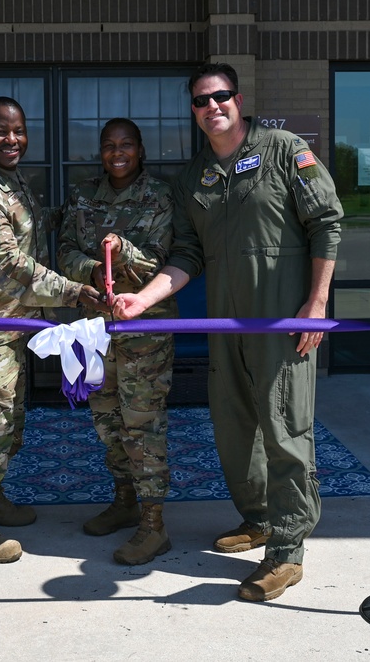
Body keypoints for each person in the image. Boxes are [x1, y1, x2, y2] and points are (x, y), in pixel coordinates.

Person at [113, 63, 343, 602]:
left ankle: (287, 552)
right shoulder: (194, 178)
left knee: (285, 431)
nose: (211, 106)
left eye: (220, 96)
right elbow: (188, 254)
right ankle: (259, 519)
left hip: (284, 324)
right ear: (193, 111)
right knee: (235, 431)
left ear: (237, 99)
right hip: (226, 325)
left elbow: (326, 222)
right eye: (200, 101)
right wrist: (142, 299)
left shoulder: (284, 150)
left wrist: (317, 302)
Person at [0, 96, 104, 564]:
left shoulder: (4, 180)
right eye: (1, 131)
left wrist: (82, 210)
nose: (13, 140)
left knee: (8, 423)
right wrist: (74, 292)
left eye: (19, 131)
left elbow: (30, 229)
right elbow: (8, 266)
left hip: (4, 327)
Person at [57, 118, 177, 566]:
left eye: (126, 144)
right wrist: (89, 268)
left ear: (140, 150)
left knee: (142, 426)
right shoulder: (84, 194)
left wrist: (122, 250)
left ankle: (154, 524)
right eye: (109, 145)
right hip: (94, 330)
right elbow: (64, 249)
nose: (117, 152)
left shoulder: (160, 196)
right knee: (107, 421)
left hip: (144, 334)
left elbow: (163, 264)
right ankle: (125, 499)